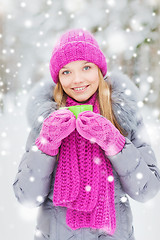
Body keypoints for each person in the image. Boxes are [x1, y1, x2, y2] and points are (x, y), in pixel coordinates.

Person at [13, 29, 160, 240]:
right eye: (66, 72)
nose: (77, 79)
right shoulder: (47, 121)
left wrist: (115, 143)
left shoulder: (123, 116)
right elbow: (26, 196)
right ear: (58, 78)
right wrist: (47, 144)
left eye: (86, 67)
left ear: (99, 70)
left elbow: (147, 190)